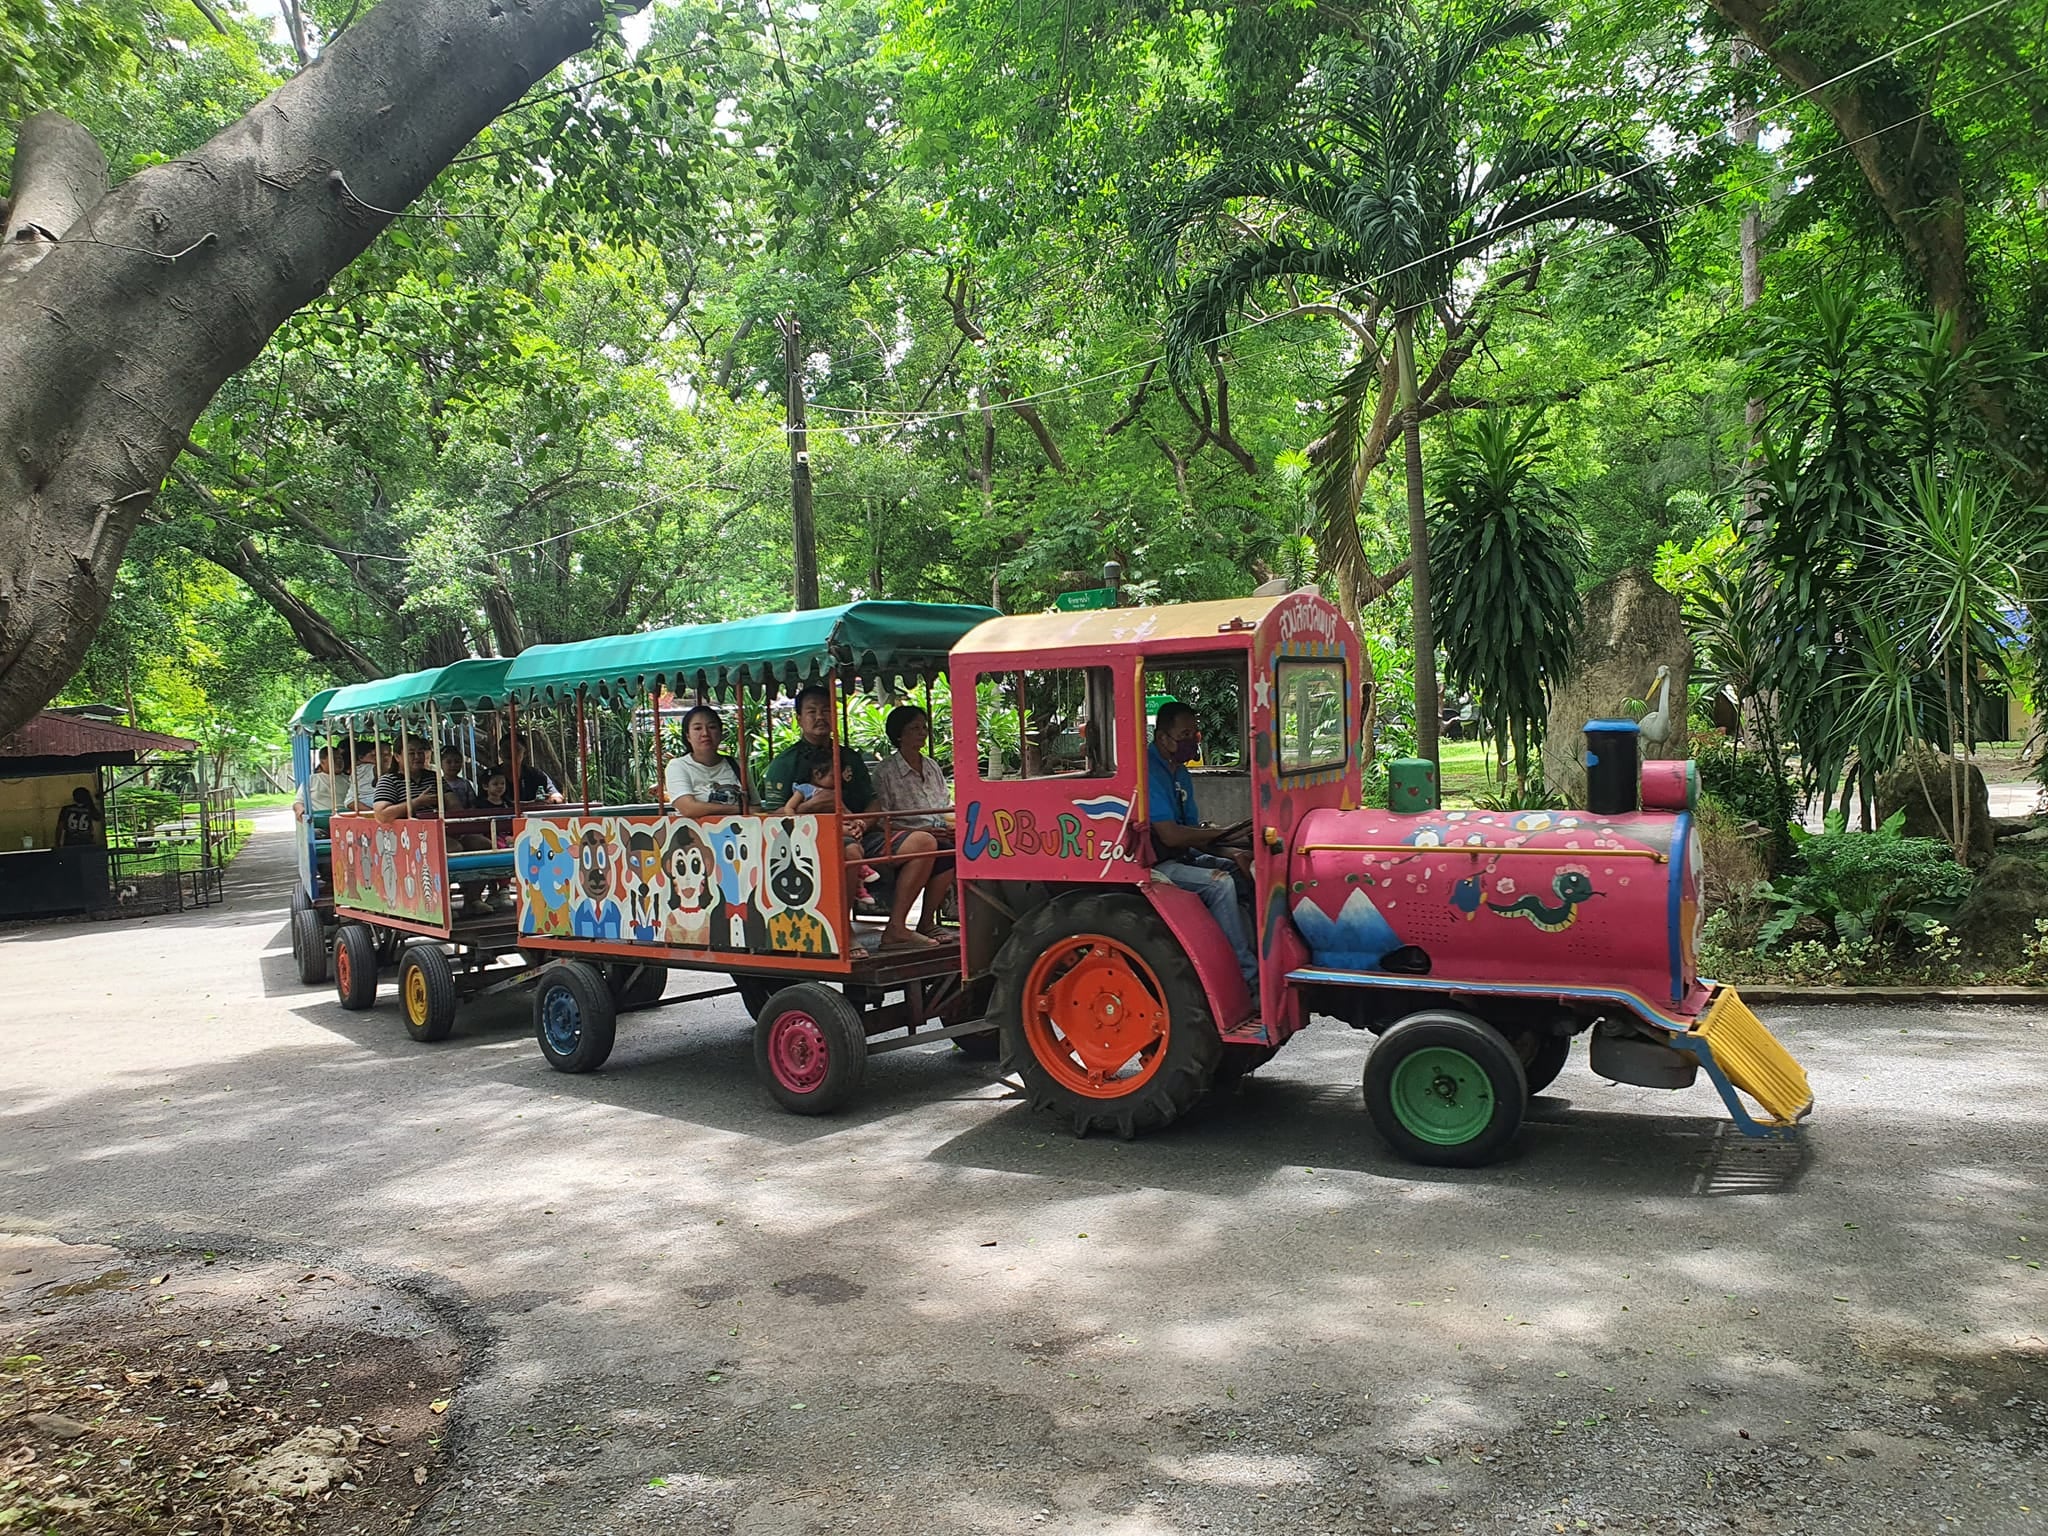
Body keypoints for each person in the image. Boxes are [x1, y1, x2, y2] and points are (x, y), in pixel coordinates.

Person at [762, 683, 938, 949]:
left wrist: (861, 823)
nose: (820, 716)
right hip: (808, 841)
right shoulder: (786, 763)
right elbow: (772, 814)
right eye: (812, 711)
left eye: (826, 710)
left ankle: (897, 928)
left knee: (924, 843)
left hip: (856, 833)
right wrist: (809, 809)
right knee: (852, 852)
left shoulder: (849, 757)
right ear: (799, 718)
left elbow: (874, 802)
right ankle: (844, 933)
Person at [1147, 699, 1258, 988]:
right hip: (1154, 864)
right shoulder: (1147, 771)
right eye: (1184, 735)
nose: (1192, 741)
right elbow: (1171, 835)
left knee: (1240, 871)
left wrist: (1232, 850)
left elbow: (1194, 831)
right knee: (1220, 883)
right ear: (1162, 738)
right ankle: (1247, 976)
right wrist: (1217, 833)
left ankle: (1259, 954)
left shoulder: (1180, 771)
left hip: (1182, 857)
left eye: (1195, 734)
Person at [872, 703, 955, 937]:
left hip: (937, 833)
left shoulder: (931, 766)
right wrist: (924, 830)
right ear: (899, 734)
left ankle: (928, 921)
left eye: (924, 727)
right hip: (903, 837)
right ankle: (909, 924)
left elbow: (944, 805)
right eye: (914, 728)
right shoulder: (885, 771)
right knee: (941, 849)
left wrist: (947, 825)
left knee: (959, 847)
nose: (922, 733)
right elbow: (881, 820)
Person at [664, 704, 746, 817]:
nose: (705, 734)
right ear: (688, 736)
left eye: (712, 727)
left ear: (721, 732)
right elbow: (688, 808)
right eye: (697, 728)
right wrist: (740, 809)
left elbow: (754, 805)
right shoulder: (678, 766)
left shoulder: (737, 765)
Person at [372, 736, 441, 822]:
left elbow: (453, 803)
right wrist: (417, 802)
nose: (417, 757)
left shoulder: (434, 777)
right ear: (397, 757)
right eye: (411, 753)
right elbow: (381, 816)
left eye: (420, 752)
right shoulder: (388, 781)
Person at [494, 726, 565, 808]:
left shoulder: (535, 774)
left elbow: (557, 797)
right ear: (499, 753)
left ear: (525, 753)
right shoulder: (491, 775)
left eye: (516, 749)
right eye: (506, 749)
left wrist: (551, 800)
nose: (510, 753)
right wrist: (532, 804)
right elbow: (484, 803)